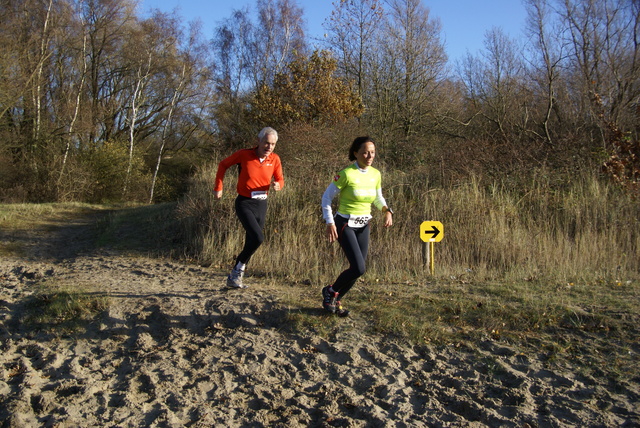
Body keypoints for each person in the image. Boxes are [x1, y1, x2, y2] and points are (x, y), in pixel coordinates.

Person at [320, 136, 393, 316]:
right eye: (365, 152)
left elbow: (377, 197)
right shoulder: (346, 174)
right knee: (358, 267)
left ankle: (335, 300)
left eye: (373, 152)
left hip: (363, 224)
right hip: (344, 223)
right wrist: (329, 222)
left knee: (357, 270)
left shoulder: (375, 174)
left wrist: (386, 210)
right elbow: (326, 198)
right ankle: (330, 291)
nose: (370, 156)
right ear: (356, 153)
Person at [214, 127, 284, 288]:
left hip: (262, 204)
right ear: (258, 141)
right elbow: (223, 165)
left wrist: (278, 185)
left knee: (251, 241)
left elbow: (280, 179)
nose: (269, 147)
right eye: (266, 143)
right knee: (258, 238)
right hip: (244, 203)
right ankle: (237, 271)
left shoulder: (275, 159)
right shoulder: (244, 154)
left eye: (273, 144)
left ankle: (235, 277)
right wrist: (219, 187)